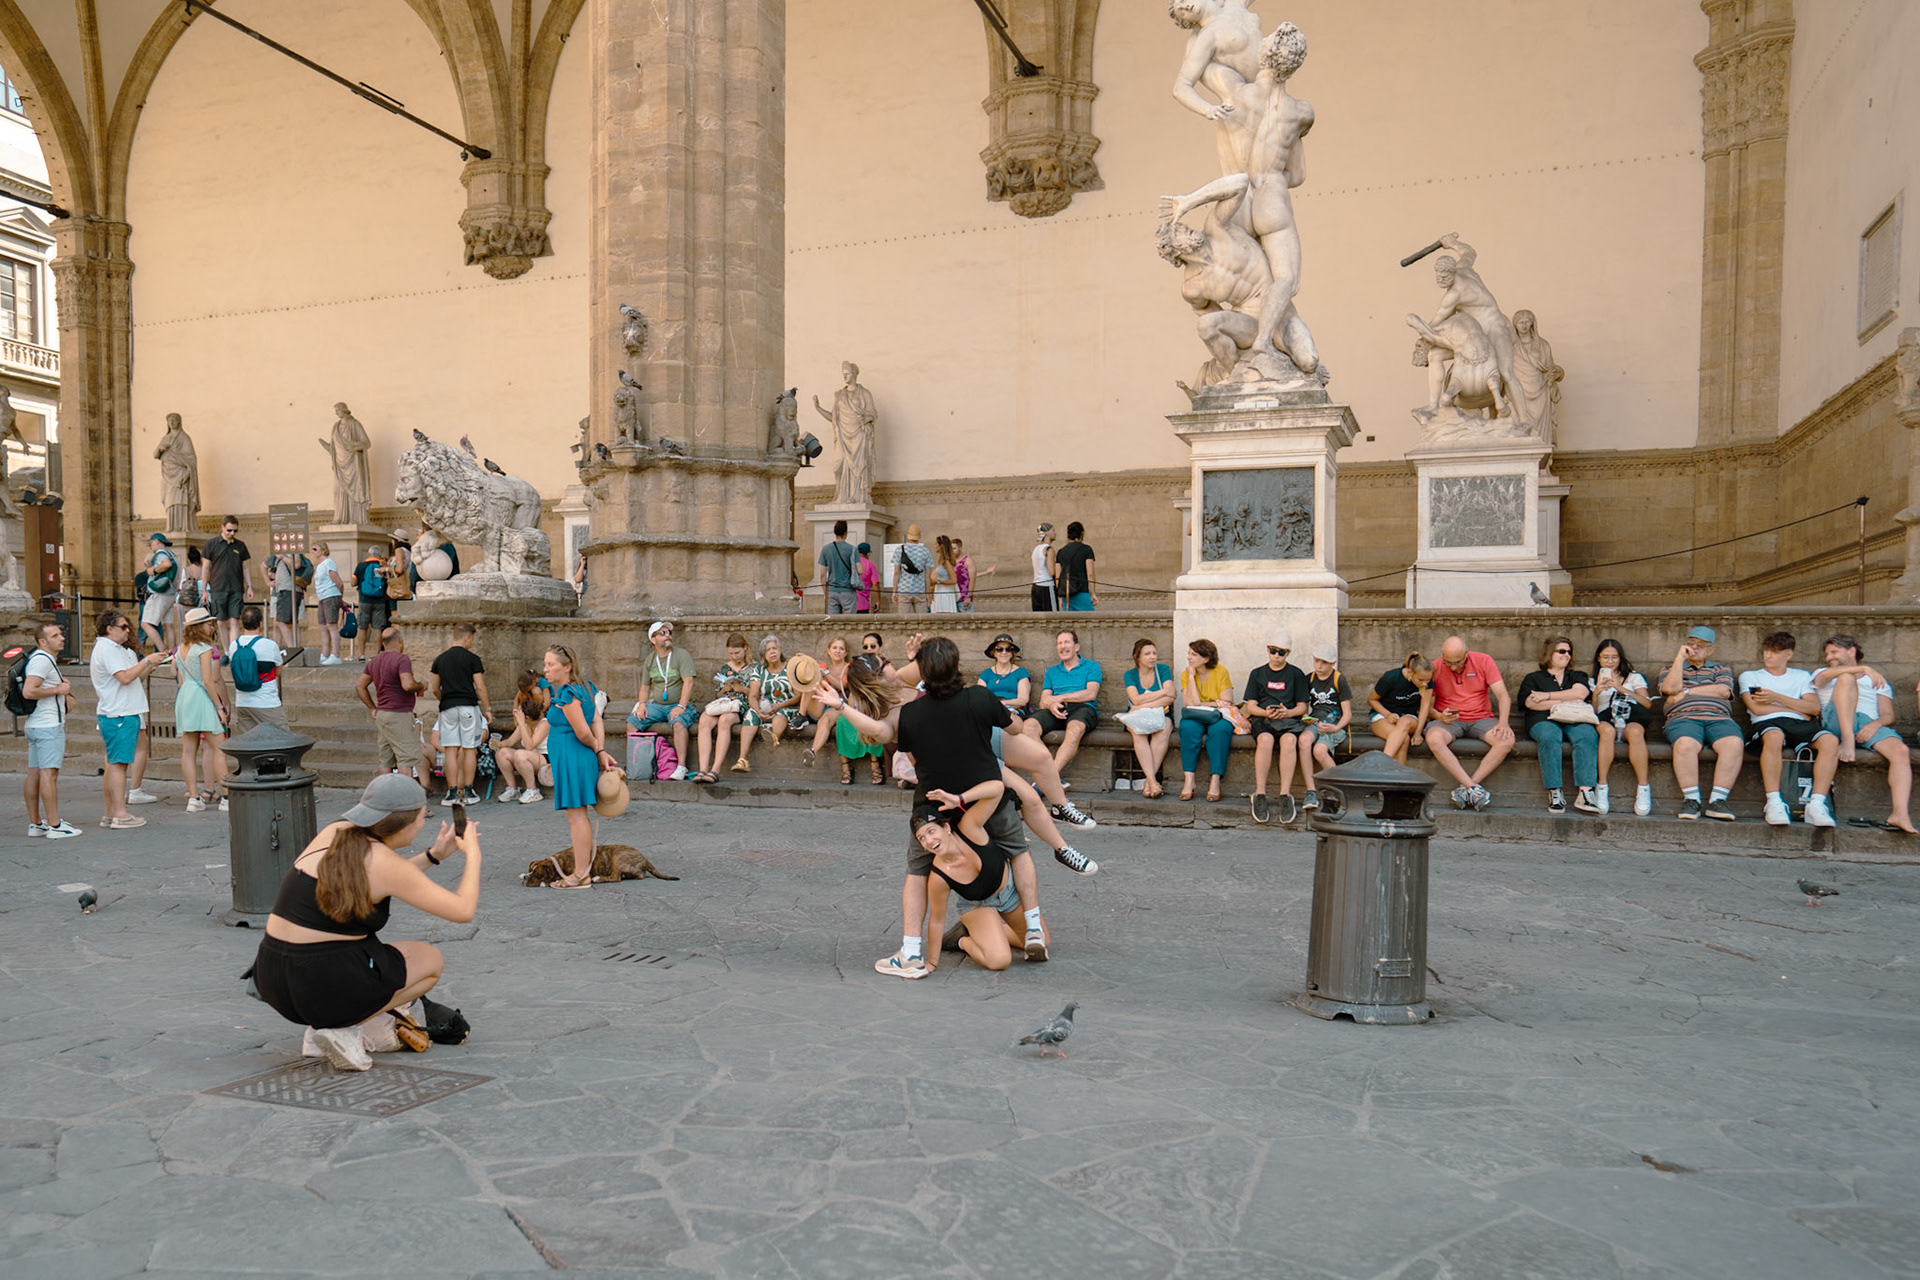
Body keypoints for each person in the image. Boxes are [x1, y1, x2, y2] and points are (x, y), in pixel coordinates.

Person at [819, 638, 1060, 976]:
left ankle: (916, 951)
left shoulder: (909, 711)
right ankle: (1024, 926)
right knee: (1013, 851)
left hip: (942, 802)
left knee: (921, 871)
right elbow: (1016, 728)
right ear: (957, 666)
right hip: (974, 797)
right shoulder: (975, 698)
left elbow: (884, 730)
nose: (894, 670)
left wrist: (843, 706)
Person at [252, 774, 480, 1070]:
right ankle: (341, 1028)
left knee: (364, 951)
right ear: (404, 823)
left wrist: (433, 856)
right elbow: (463, 910)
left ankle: (323, 1029)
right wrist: (473, 855)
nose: (423, 823)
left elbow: (378, 880)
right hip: (318, 981)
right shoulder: (384, 862)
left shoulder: (336, 832)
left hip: (272, 979)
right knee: (430, 961)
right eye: (423, 816)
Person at [912, 802, 1031, 972]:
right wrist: (932, 962)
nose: (929, 841)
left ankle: (988, 934)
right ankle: (962, 939)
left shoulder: (970, 828)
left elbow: (995, 792)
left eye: (931, 831)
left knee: (1038, 942)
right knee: (999, 960)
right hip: (977, 905)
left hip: (1008, 893)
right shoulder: (938, 877)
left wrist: (960, 798)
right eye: (921, 838)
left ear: (946, 827)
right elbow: (937, 920)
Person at [1813, 635, 1915, 833]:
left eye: (1834, 652)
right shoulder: (1824, 673)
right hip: (1835, 721)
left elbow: (1889, 715)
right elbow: (1822, 679)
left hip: (1867, 723)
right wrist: (1863, 669)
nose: (1829, 657)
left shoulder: (1875, 679)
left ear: (1851, 651)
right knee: (1846, 677)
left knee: (1901, 751)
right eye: (1827, 654)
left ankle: (1900, 814)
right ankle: (1848, 740)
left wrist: (1876, 724)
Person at [541, 643, 622, 888]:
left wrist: (598, 749)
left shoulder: (567, 694)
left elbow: (583, 731)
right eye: (545, 664)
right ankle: (582, 870)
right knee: (578, 815)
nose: (545, 669)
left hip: (572, 757)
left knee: (576, 817)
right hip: (576, 757)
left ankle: (580, 874)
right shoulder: (585, 687)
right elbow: (596, 720)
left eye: (550, 664)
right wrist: (600, 749)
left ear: (567, 667)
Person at [1739, 632, 1838, 829]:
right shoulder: (1750, 676)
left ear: (1788, 654)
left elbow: (1813, 709)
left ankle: (1816, 804)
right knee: (1774, 736)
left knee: (1831, 741)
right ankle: (1774, 802)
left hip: (1798, 724)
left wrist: (1776, 697)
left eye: (1775, 652)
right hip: (1767, 723)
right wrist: (1796, 708)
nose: (1768, 656)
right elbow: (1757, 709)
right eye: (1767, 650)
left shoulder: (1801, 676)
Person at [1658, 625, 1742, 822]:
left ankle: (1718, 801)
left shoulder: (1720, 668)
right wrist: (1680, 658)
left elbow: (1723, 691)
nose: (1694, 648)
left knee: (1734, 743)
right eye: (1691, 643)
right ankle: (1691, 800)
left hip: (1718, 717)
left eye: (1701, 645)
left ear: (1711, 650)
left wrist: (1687, 692)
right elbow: (1670, 689)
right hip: (1683, 717)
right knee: (1685, 744)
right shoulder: (1671, 668)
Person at [90, 611, 163, 829]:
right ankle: (120, 815)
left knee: (114, 764)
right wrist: (147, 660)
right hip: (119, 712)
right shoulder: (107, 649)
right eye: (123, 626)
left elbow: (132, 679)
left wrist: (148, 666)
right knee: (118, 765)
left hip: (120, 710)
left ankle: (110, 813)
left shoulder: (114, 649)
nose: (127, 630)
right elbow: (124, 678)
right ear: (109, 628)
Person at [1425, 636, 1514, 811]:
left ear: (1467, 654)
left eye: (1458, 662)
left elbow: (1503, 695)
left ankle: (1468, 787)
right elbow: (1428, 707)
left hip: (1481, 718)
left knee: (1506, 741)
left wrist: (1503, 723)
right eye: (1448, 662)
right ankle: (1473, 788)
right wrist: (1439, 716)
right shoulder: (1435, 666)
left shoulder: (1483, 661)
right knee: (1434, 738)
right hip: (1450, 721)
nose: (1453, 667)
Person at [1519, 635, 1600, 814]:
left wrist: (1546, 696)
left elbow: (1581, 693)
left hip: (1575, 718)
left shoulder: (1577, 675)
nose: (1567, 655)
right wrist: (1566, 699)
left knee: (1587, 735)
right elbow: (1531, 703)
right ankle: (1555, 791)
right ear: (1549, 653)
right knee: (1549, 736)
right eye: (1562, 651)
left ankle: (1586, 792)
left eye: (1569, 652)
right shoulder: (1533, 678)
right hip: (1542, 719)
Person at [1243, 635, 1311, 824]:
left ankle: (1285, 795)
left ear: (1288, 653)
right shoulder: (1257, 673)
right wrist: (1266, 712)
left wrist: (1287, 713)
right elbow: (1251, 706)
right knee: (1265, 740)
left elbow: (1303, 706)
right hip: (1263, 719)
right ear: (1268, 650)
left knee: (1289, 741)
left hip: (1288, 720)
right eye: (1273, 651)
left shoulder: (1296, 674)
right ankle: (1260, 794)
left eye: (1281, 652)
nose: (1276, 656)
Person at [21, 620, 81, 839]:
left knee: (35, 773)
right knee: (49, 774)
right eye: (55, 636)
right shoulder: (42, 661)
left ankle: (36, 824)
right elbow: (29, 691)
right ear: (43, 642)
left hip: (36, 724)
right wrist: (58, 689)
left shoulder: (40, 659)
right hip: (48, 726)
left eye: (60, 634)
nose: (62, 638)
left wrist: (57, 686)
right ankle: (55, 825)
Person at [174, 607, 231, 814]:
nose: (211, 627)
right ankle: (226, 797)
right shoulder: (204, 648)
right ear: (199, 626)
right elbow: (208, 680)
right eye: (208, 623)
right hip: (201, 696)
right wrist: (219, 706)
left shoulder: (180, 649)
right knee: (219, 748)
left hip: (185, 696)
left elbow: (181, 679)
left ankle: (193, 798)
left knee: (188, 751)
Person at [1592, 638, 1655, 817]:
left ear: (1620, 658)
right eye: (1605, 657)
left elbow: (1647, 704)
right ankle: (1601, 786)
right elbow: (1592, 713)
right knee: (1607, 731)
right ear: (1599, 658)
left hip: (1629, 719)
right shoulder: (1591, 680)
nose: (1610, 661)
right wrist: (1596, 693)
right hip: (1605, 720)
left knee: (1636, 732)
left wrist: (1621, 688)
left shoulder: (1634, 677)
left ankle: (1643, 788)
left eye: (1614, 657)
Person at [428, 624, 490, 805]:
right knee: (469, 748)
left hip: (448, 707)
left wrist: (445, 699)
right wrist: (488, 708)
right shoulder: (473, 659)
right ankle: (469, 791)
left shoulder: (440, 659)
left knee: (450, 749)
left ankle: (452, 792)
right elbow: (480, 686)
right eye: (472, 639)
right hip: (468, 707)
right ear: (467, 638)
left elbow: (434, 688)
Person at [1025, 629, 1102, 775]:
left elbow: (1091, 694)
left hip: (1083, 708)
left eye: (1066, 642)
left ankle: (1051, 775)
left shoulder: (1091, 666)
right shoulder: (1052, 671)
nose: (1062, 646)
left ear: (1076, 647)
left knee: (1075, 729)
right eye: (1059, 643)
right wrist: (1052, 704)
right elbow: (1043, 701)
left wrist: (1059, 698)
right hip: (1056, 709)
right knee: (1028, 726)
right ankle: (1048, 770)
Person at [357, 627, 426, 781]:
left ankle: (385, 793)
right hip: (399, 714)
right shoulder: (402, 659)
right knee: (405, 759)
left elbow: (360, 686)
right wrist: (422, 685)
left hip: (382, 714)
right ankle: (405, 795)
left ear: (383, 643)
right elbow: (408, 685)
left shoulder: (374, 661)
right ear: (400, 641)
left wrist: (372, 708)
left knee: (385, 759)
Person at [630, 620, 696, 780]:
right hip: (658, 706)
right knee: (632, 721)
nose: (668, 636)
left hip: (680, 704)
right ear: (653, 639)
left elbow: (689, 682)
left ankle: (681, 767)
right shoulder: (650, 660)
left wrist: (681, 706)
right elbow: (645, 687)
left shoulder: (681, 655)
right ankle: (639, 763)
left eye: (669, 633)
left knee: (678, 722)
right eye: (662, 633)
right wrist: (642, 704)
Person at [692, 633, 760, 781]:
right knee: (704, 720)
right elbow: (718, 694)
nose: (734, 657)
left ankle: (715, 770)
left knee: (725, 720)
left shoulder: (755, 667)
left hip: (741, 705)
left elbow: (758, 694)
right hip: (724, 702)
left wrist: (744, 690)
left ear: (745, 648)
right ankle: (702, 770)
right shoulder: (726, 667)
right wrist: (725, 689)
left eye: (737, 653)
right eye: (731, 653)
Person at [1177, 638, 1235, 803]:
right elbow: (1189, 702)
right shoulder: (1186, 674)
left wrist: (1202, 704)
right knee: (1187, 728)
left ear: (1206, 658)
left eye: (1194, 654)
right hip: (1195, 715)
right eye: (1189, 653)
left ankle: (1215, 781)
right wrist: (1191, 677)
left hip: (1218, 715)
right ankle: (1189, 780)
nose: (1189, 657)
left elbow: (1227, 701)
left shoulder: (1220, 671)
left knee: (1220, 731)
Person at [1120, 639, 1175, 798]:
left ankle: (1148, 783)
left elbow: (1171, 697)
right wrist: (1163, 692)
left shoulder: (1163, 670)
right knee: (1138, 733)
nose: (1152, 657)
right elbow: (1135, 699)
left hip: (1161, 713)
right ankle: (1152, 781)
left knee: (1164, 729)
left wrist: (1144, 704)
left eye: (1154, 653)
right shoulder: (1130, 675)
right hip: (1137, 715)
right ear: (1137, 657)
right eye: (1147, 654)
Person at [227, 605, 287, 734]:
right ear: (260, 623)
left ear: (242, 623)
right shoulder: (270, 645)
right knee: (282, 738)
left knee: (248, 742)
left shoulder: (233, 646)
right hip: (267, 702)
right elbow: (278, 671)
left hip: (243, 702)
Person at [495, 669, 549, 804]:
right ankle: (512, 789)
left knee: (520, 754)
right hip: (529, 758)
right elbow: (509, 742)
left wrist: (521, 725)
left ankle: (533, 790)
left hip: (546, 760)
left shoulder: (545, 724)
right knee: (501, 753)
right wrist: (498, 744)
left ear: (528, 717)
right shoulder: (524, 725)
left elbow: (530, 746)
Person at [1367, 653, 1433, 764]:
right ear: (1410, 672)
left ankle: (1382, 763)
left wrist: (1418, 733)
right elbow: (1372, 700)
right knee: (1404, 739)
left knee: (1405, 721)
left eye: (1428, 680)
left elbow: (1425, 708)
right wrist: (1388, 714)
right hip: (1384, 716)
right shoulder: (1390, 677)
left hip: (1409, 718)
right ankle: (1398, 774)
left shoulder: (1427, 681)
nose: (1425, 684)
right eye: (1421, 680)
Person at [1301, 649, 1353, 778]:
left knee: (1319, 750)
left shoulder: (1339, 679)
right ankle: (1310, 785)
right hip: (1316, 721)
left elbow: (1347, 714)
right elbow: (1303, 708)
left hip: (1334, 723)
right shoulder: (1309, 678)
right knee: (1303, 740)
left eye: (1324, 662)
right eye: (1316, 661)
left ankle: (1338, 784)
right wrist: (1306, 717)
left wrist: (1336, 728)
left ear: (1332, 663)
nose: (1319, 666)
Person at [202, 515, 253, 648]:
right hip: (218, 588)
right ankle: (226, 650)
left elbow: (245, 567)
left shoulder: (240, 545)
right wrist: (204, 590)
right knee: (220, 621)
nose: (232, 533)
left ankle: (233, 650)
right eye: (229, 530)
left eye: (235, 531)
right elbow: (205, 568)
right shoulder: (211, 544)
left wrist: (249, 586)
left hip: (236, 587)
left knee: (234, 620)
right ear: (222, 527)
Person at [803, 636, 852, 765]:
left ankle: (813, 752)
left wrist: (824, 673)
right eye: (834, 648)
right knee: (811, 682)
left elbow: (843, 685)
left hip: (838, 705)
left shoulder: (849, 667)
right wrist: (804, 661)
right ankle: (800, 715)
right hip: (820, 705)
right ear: (828, 651)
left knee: (825, 720)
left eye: (841, 648)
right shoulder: (823, 666)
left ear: (846, 653)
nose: (838, 651)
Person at [755, 635, 811, 746]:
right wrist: (761, 709)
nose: (772, 652)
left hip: (788, 707)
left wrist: (779, 706)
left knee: (781, 714)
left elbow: (798, 696)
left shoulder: (790, 667)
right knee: (752, 715)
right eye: (768, 650)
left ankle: (774, 738)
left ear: (780, 650)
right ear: (763, 655)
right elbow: (753, 695)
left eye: (774, 648)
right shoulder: (760, 670)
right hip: (768, 708)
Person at [140, 533, 180, 652]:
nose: (151, 546)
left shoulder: (160, 553)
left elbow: (166, 564)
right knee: (168, 625)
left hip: (159, 594)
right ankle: (172, 653)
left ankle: (163, 651)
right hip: (170, 594)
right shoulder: (173, 555)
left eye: (151, 543)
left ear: (156, 541)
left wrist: (153, 570)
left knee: (145, 624)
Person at [262, 545, 304, 650]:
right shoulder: (276, 556)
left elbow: (297, 564)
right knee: (283, 622)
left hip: (288, 589)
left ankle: (292, 649)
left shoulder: (291, 552)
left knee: (283, 622)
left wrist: (281, 556)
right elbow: (263, 566)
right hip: (283, 590)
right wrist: (268, 581)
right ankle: (291, 648)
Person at [311, 542, 346, 665]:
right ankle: (325, 653)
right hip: (322, 597)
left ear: (322, 550)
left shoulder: (328, 563)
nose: (313, 551)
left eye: (315, 549)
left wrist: (340, 597)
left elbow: (338, 582)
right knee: (322, 626)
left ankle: (336, 654)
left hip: (330, 595)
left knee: (331, 625)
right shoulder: (320, 565)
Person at [817, 519, 858, 615]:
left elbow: (822, 574)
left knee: (833, 621)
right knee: (850, 621)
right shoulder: (852, 549)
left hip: (832, 591)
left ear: (834, 532)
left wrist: (825, 593)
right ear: (845, 533)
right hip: (848, 590)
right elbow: (860, 570)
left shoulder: (825, 549)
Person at [1054, 522, 1097, 611]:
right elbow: (1090, 573)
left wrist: (1060, 596)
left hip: (1066, 594)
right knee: (1089, 618)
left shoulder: (1061, 552)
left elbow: (1057, 577)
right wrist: (1093, 593)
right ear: (1081, 534)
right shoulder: (1086, 550)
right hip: (1082, 592)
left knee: (1070, 619)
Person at [892, 525, 933, 613]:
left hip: (904, 589)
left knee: (904, 619)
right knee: (921, 619)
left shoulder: (899, 550)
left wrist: (894, 591)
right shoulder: (925, 551)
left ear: (908, 535)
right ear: (919, 536)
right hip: (920, 590)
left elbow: (896, 573)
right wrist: (928, 593)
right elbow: (927, 575)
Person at [356, 546, 392, 641]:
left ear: (369, 554)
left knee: (362, 627)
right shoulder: (383, 567)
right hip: (380, 601)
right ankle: (377, 650)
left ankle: (361, 650)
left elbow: (353, 582)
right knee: (377, 628)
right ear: (379, 556)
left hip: (364, 600)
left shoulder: (361, 566)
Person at [953, 538, 991, 612]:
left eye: (954, 548)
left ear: (960, 548)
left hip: (964, 598)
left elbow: (972, 578)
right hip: (953, 598)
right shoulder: (952, 561)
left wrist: (969, 596)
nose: (952, 551)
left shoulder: (968, 560)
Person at [1030, 523, 1057, 611]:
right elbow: (1051, 571)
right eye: (1053, 530)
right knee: (1053, 616)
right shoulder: (1049, 550)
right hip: (1047, 586)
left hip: (1036, 587)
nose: (1055, 533)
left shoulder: (1036, 549)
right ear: (1047, 533)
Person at [930, 535, 960, 613]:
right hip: (940, 592)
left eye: (936, 544)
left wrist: (938, 582)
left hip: (945, 593)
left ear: (941, 546)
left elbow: (954, 580)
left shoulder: (946, 562)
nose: (935, 546)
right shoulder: (941, 560)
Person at [854, 543, 879, 614]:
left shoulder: (851, 563)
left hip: (849, 603)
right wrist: (878, 601)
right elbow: (875, 584)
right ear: (868, 553)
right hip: (863, 604)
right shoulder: (870, 565)